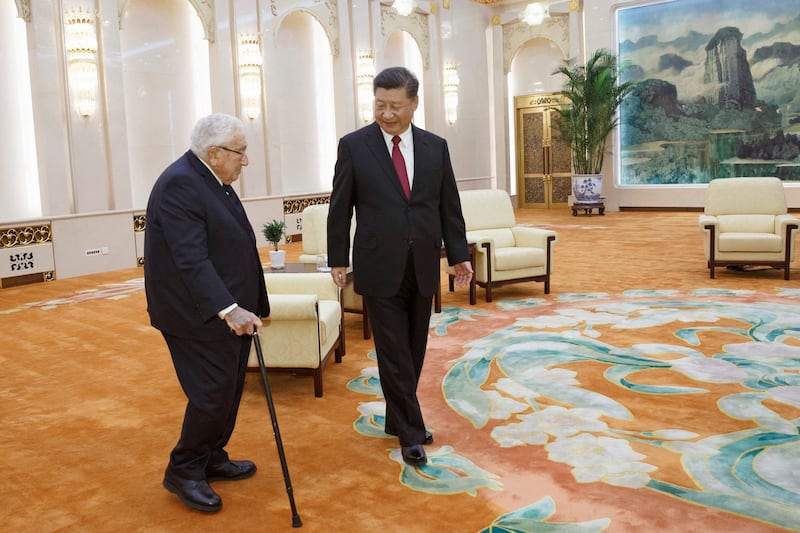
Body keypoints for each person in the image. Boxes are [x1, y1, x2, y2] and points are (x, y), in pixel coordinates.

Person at [327, 67, 473, 467]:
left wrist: (459, 253)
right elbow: (339, 208)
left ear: (413, 103)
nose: (386, 113)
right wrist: (337, 258)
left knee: (413, 349)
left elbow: (449, 206)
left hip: (422, 263)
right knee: (392, 352)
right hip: (378, 264)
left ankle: (397, 418)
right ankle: (411, 432)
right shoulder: (354, 146)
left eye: (394, 105)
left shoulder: (434, 146)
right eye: (379, 104)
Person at [144, 113, 269, 512]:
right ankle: (183, 468)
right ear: (214, 153)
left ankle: (211, 456)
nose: (245, 161)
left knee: (229, 389)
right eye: (240, 153)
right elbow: (190, 259)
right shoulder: (181, 183)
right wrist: (229, 309)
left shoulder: (214, 180)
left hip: (222, 312)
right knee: (212, 394)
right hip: (194, 315)